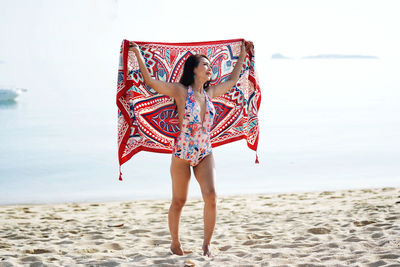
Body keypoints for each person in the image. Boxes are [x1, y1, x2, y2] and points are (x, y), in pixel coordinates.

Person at [128, 40, 253, 257]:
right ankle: (175, 243)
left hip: (205, 151)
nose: (209, 67)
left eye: (209, 64)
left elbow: (233, 80)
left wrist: (243, 53)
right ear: (194, 70)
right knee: (179, 201)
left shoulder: (210, 93)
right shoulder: (180, 91)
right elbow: (149, 81)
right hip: (182, 154)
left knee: (211, 196)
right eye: (204, 64)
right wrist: (138, 54)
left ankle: (206, 245)